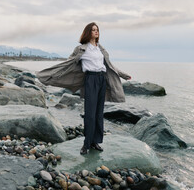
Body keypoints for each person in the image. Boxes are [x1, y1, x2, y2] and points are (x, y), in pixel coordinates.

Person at [36, 22, 131, 155]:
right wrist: (49, 75)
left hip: (101, 79)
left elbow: (110, 66)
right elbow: (67, 64)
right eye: (93, 30)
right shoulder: (81, 49)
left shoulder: (101, 49)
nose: (96, 32)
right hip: (90, 79)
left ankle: (95, 142)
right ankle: (86, 144)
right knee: (90, 114)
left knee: (98, 114)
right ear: (88, 32)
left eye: (97, 30)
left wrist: (124, 75)